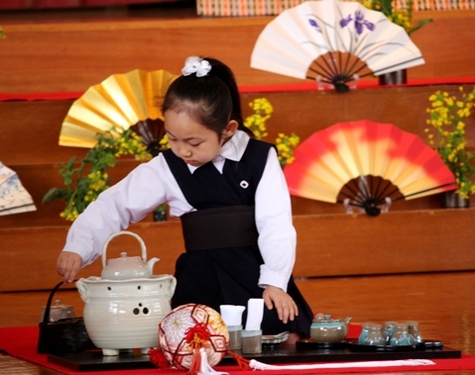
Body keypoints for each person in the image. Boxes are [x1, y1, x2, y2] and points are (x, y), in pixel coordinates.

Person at [57, 56, 313, 338]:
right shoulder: (167, 166)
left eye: (194, 142)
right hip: (200, 278)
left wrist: (276, 282)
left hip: (256, 275)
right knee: (191, 341)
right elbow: (115, 205)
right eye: (172, 139)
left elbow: (275, 224)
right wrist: (78, 246)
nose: (183, 152)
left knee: (282, 336)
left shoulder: (259, 157)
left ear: (228, 130)